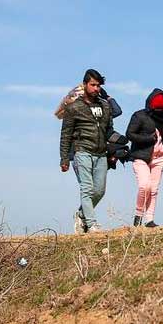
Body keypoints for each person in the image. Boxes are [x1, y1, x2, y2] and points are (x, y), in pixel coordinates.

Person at [59, 69, 114, 233]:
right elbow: (65, 134)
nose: (96, 88)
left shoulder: (104, 105)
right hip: (82, 151)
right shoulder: (73, 107)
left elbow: (109, 129)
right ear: (84, 85)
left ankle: (81, 215)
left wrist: (115, 151)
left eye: (98, 85)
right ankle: (92, 224)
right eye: (93, 85)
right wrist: (64, 159)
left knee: (99, 191)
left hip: (101, 153)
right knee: (87, 189)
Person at [127, 89, 163, 227]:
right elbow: (129, 134)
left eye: (162, 108)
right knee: (145, 186)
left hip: (159, 158)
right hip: (141, 156)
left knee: (154, 190)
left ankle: (149, 219)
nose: (160, 110)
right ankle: (138, 216)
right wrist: (148, 139)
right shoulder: (139, 116)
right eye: (158, 108)